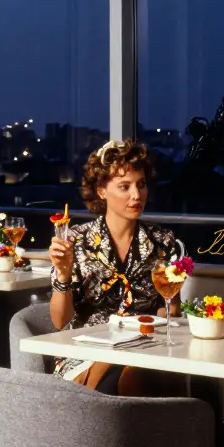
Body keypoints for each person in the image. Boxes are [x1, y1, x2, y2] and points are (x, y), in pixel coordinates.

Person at [47, 140, 184, 395]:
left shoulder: (163, 242)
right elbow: (59, 320)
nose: (136, 195)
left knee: (158, 373)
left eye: (141, 184)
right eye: (124, 186)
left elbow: (169, 312)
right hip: (85, 352)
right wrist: (63, 274)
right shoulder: (76, 241)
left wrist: (167, 315)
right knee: (130, 372)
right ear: (101, 190)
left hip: (146, 348)